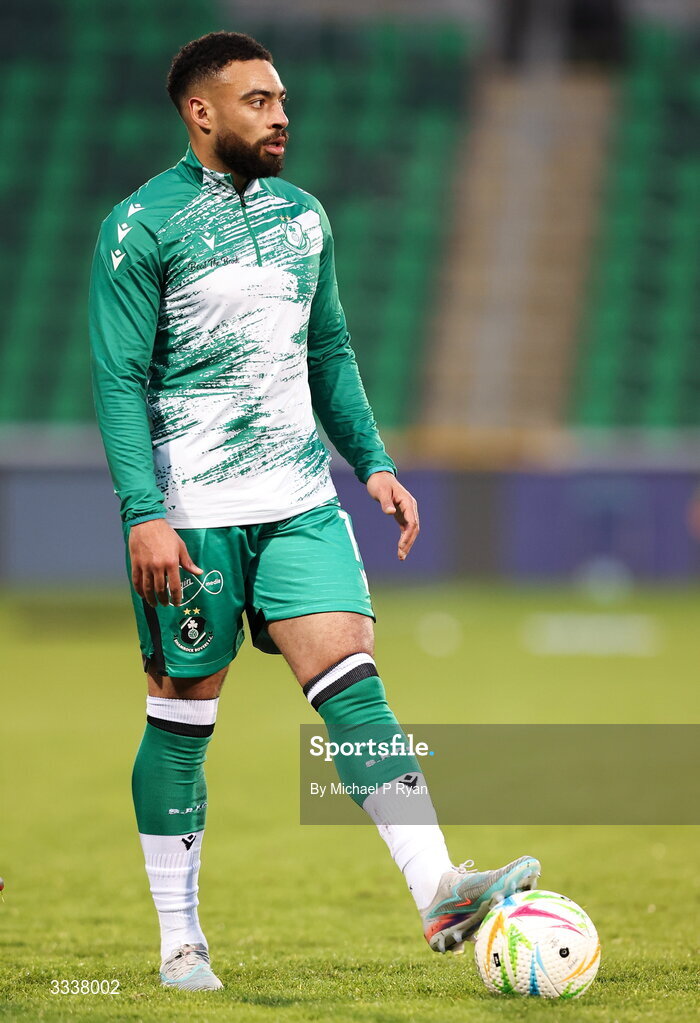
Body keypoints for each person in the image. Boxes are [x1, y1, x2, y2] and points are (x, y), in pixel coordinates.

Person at [88, 30, 539, 991]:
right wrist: (142, 511)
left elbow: (327, 350)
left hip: (299, 498)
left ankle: (438, 888)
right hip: (192, 509)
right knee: (184, 713)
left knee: (354, 679)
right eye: (257, 100)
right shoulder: (141, 226)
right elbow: (120, 378)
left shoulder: (305, 217)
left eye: (283, 98)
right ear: (200, 112)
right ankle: (180, 942)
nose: (281, 113)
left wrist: (372, 463)